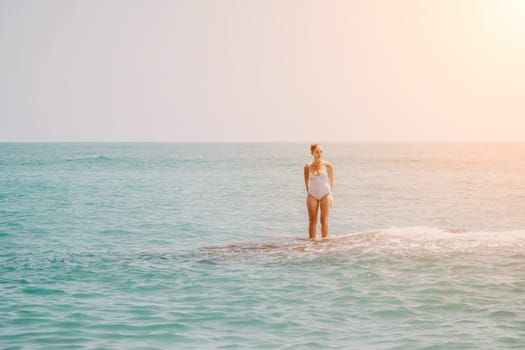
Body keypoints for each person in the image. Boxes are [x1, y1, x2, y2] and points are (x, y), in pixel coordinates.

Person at [304, 143, 334, 239]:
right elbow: (307, 183)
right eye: (317, 152)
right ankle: (312, 245)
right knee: (312, 221)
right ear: (312, 153)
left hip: (325, 194)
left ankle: (324, 245)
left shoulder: (328, 165)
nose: (319, 154)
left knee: (323, 220)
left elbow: (331, 182)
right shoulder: (307, 166)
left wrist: (329, 195)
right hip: (312, 195)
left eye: (321, 152)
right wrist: (311, 193)